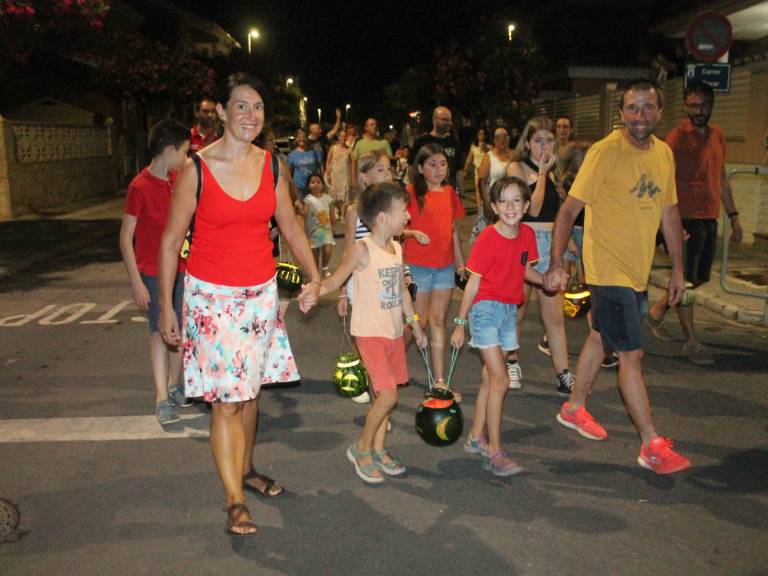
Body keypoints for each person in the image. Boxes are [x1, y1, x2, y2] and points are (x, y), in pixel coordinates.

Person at [156, 72, 321, 536]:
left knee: (250, 394)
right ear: (223, 114)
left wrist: (315, 275)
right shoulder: (197, 169)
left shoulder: (271, 166)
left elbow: (289, 226)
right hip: (212, 299)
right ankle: (233, 502)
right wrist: (168, 308)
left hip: (260, 297)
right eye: (242, 106)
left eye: (258, 108)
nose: (251, 115)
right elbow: (170, 243)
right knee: (227, 403)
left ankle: (245, 470)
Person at [544, 79, 692, 475]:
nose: (639, 115)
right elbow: (568, 210)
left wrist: (677, 270)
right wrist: (557, 261)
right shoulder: (604, 152)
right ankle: (650, 444)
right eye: (631, 108)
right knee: (631, 354)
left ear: (660, 112)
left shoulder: (663, 154)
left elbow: (670, 214)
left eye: (647, 107)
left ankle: (574, 407)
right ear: (621, 112)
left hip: (637, 271)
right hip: (606, 269)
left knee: (600, 336)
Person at [320, 182, 427, 483]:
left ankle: (379, 450)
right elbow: (336, 279)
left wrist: (415, 324)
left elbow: (403, 292)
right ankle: (362, 448)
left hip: (393, 332)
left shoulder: (396, 248)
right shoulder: (361, 250)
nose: (407, 217)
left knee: (384, 396)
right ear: (383, 217)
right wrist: (314, 288)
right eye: (402, 211)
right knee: (388, 396)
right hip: (369, 333)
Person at [646, 81, 743, 365]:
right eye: (692, 105)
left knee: (698, 277)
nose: (698, 111)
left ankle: (656, 312)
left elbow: (722, 177)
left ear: (711, 106)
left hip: (709, 216)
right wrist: (667, 225)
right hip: (684, 217)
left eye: (702, 105)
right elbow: (660, 178)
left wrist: (734, 215)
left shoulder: (718, 136)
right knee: (685, 281)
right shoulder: (676, 138)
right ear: (686, 106)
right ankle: (690, 341)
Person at [451, 176, 541, 476]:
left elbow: (526, 269)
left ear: (526, 205)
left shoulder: (527, 235)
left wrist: (548, 280)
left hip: (507, 313)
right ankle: (495, 451)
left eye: (517, 200)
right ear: (493, 206)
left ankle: (476, 437)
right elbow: (473, 283)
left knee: (490, 380)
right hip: (485, 311)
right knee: (501, 381)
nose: (510, 207)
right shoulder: (487, 238)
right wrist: (460, 324)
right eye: (503, 201)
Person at [119, 119, 191, 428]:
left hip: (182, 269)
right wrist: (136, 281)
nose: (188, 158)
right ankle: (161, 397)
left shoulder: (178, 180)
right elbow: (125, 237)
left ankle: (174, 385)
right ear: (171, 150)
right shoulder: (140, 186)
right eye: (185, 151)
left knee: (178, 331)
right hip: (151, 271)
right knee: (159, 333)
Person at [506, 116, 574, 394]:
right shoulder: (517, 168)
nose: (544, 146)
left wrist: (566, 241)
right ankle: (511, 363)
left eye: (549, 140)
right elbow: (532, 209)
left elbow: (560, 211)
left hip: (550, 246)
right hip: (524, 243)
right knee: (518, 312)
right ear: (526, 142)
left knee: (554, 316)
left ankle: (564, 374)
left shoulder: (558, 170)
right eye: (538, 140)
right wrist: (543, 174)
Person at [404, 143, 466, 399]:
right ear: (420, 168)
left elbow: (452, 230)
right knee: (415, 323)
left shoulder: (450, 192)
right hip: (417, 265)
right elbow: (395, 228)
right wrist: (413, 233)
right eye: (432, 164)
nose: (439, 169)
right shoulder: (409, 193)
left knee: (439, 321)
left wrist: (461, 263)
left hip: (445, 266)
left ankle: (439, 383)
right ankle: (387, 365)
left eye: (442, 164)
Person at [470, 125, 516, 244]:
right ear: (494, 140)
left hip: (513, 203)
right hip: (494, 204)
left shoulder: (515, 155)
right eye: (498, 137)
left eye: (504, 136)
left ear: (509, 138)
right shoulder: (488, 157)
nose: (502, 139)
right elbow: (481, 181)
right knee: (490, 240)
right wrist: (485, 203)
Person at [411, 106, 463, 191]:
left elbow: (459, 169)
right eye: (444, 119)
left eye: (450, 120)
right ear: (434, 120)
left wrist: (461, 191)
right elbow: (412, 168)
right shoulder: (421, 142)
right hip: (426, 193)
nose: (448, 123)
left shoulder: (453, 142)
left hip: (448, 192)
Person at [299, 173, 336, 276]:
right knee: (314, 254)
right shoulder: (307, 199)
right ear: (308, 185)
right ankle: (315, 273)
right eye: (312, 182)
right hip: (313, 231)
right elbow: (304, 213)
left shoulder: (327, 198)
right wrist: (299, 209)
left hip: (326, 231)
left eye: (318, 182)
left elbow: (332, 212)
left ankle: (325, 267)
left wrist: (334, 225)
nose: (315, 184)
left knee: (327, 250)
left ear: (323, 185)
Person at [350, 117, 393, 185]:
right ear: (366, 128)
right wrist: (353, 182)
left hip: (381, 183)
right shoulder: (359, 143)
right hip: (364, 183)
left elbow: (390, 163)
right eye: (371, 125)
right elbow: (353, 163)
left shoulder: (384, 143)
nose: (374, 126)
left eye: (375, 124)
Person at [288, 127, 324, 198]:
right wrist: (291, 187)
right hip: (298, 188)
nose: (302, 139)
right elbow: (289, 173)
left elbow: (321, 167)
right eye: (299, 137)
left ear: (307, 138)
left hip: (313, 188)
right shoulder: (292, 154)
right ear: (295, 139)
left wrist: (321, 182)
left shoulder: (314, 151)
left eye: (304, 137)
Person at [325, 130, 351, 220]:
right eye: (341, 136)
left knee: (344, 195)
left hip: (344, 174)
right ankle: (336, 212)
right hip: (334, 174)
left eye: (345, 136)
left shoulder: (349, 149)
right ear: (338, 137)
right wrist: (328, 174)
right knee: (334, 195)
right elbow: (328, 162)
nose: (343, 138)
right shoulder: (333, 148)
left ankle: (343, 214)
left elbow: (352, 163)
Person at [463, 128, 489, 211]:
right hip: (477, 171)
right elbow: (469, 158)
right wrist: (465, 169)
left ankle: (487, 207)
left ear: (485, 135)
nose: (480, 135)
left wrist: (485, 148)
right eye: (479, 134)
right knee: (478, 190)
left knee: (486, 190)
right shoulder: (474, 146)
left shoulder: (489, 146)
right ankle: (479, 209)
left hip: (487, 171)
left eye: (482, 134)